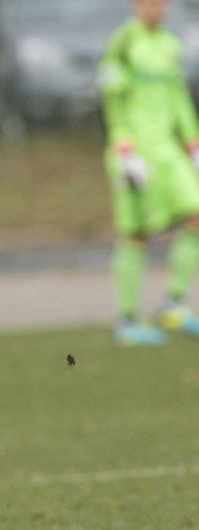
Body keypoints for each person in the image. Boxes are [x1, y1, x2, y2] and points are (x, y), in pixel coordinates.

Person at [101, 0, 199, 346]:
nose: (155, 8)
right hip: (135, 153)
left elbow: (178, 96)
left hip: (167, 151)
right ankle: (127, 320)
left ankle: (172, 304)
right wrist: (123, 146)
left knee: (196, 215)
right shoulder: (124, 43)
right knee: (134, 233)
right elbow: (113, 99)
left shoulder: (171, 44)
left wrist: (192, 141)